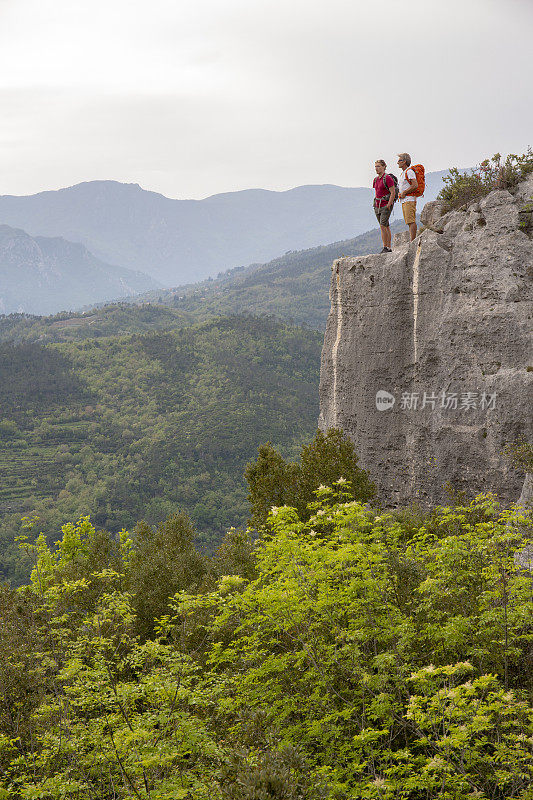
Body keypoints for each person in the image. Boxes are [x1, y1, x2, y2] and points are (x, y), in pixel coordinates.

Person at [373, 159, 395, 253]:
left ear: (384, 167)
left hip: (385, 205)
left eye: (378, 166)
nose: (376, 168)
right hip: (377, 205)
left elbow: (393, 192)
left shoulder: (387, 178)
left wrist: (389, 204)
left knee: (382, 226)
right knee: (386, 226)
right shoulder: (375, 179)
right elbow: (377, 192)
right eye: (375, 167)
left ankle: (386, 247)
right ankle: (388, 247)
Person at [397, 153, 418, 241]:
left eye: (399, 160)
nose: (397, 162)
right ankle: (412, 239)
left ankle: (413, 240)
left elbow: (415, 185)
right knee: (409, 221)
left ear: (404, 161)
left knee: (411, 221)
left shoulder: (409, 172)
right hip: (405, 200)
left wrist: (404, 192)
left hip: (409, 199)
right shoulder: (403, 173)